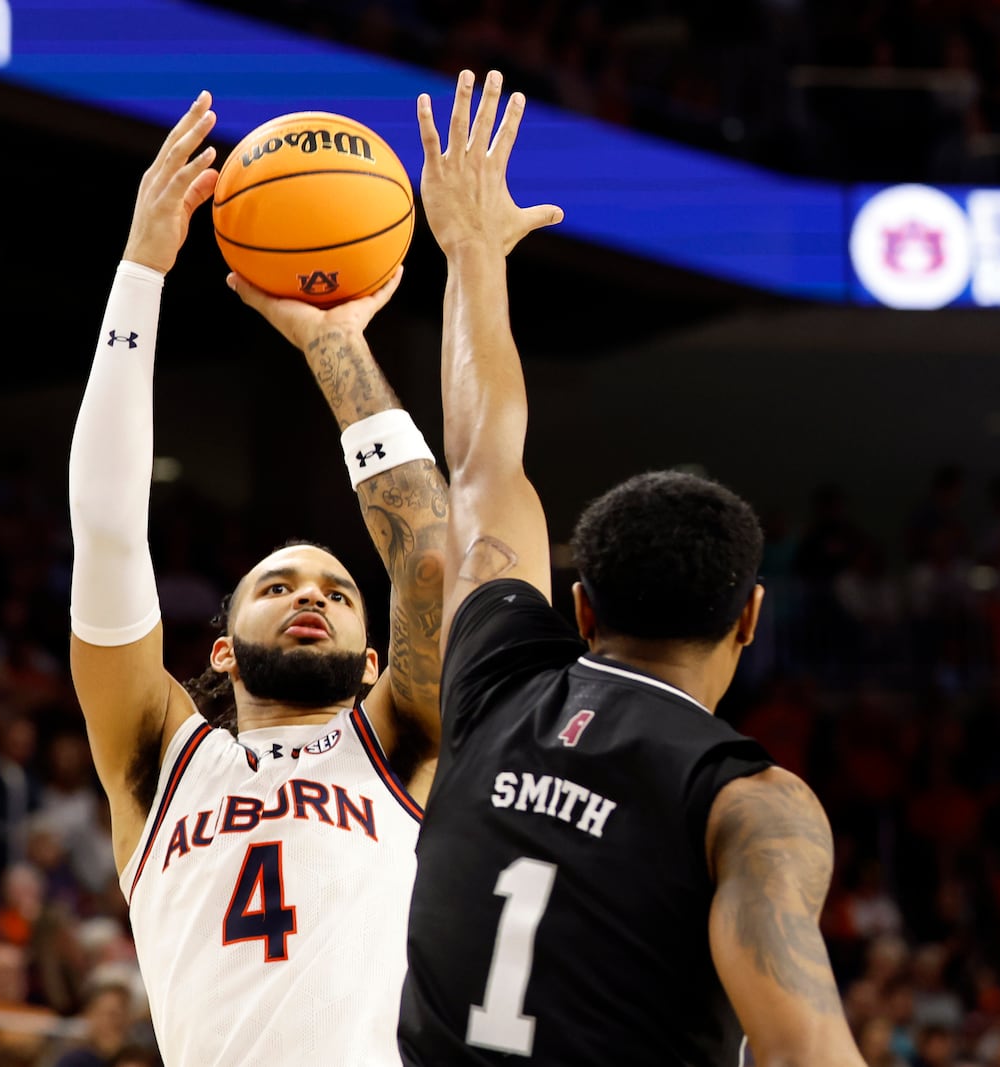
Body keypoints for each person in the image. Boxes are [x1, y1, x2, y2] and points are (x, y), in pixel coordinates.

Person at [397, 70, 866, 1067]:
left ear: (579, 602)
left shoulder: (495, 679)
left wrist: (472, 251)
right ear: (748, 616)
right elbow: (805, 1053)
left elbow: (483, 462)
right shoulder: (752, 803)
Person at [68, 91, 446, 1064]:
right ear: (223, 647)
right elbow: (108, 530)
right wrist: (140, 272)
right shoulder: (158, 754)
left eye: (337, 589)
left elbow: (429, 554)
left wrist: (335, 343)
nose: (312, 592)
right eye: (276, 585)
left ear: (374, 661)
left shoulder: (402, 743)